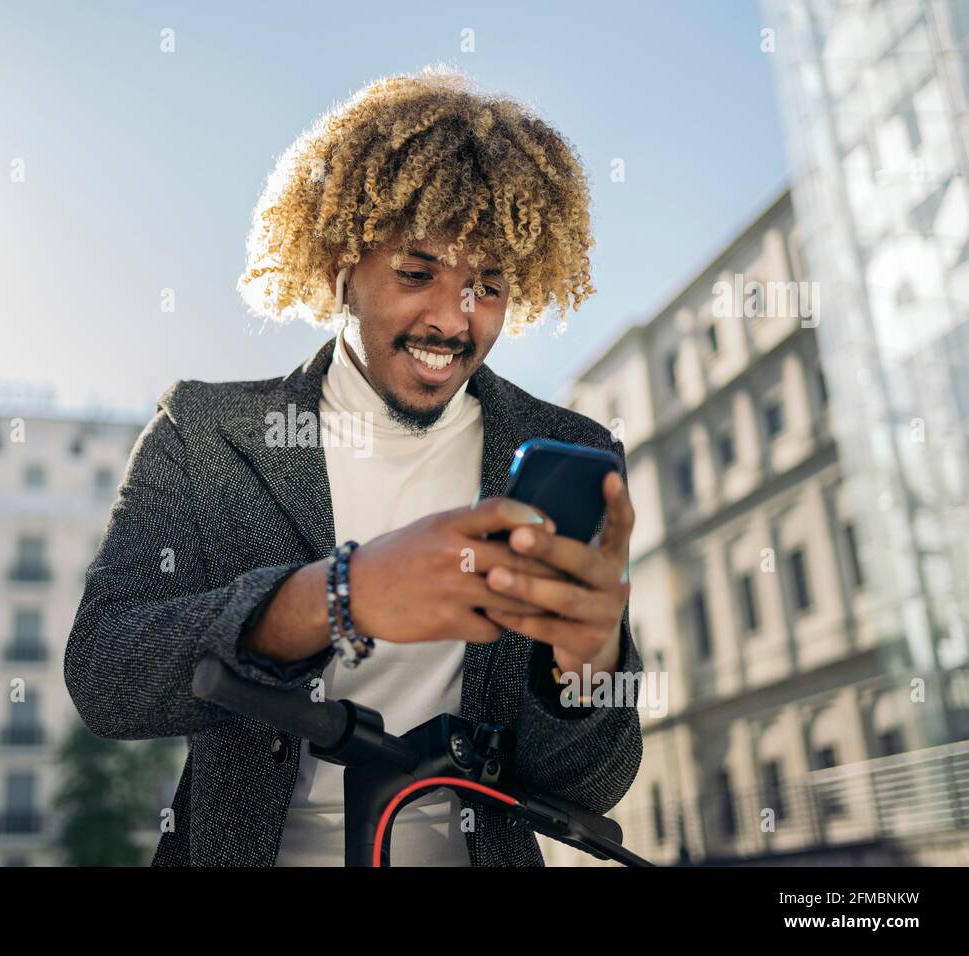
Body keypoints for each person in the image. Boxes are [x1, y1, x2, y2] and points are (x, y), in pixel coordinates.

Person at [64, 66, 642, 866]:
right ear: (341, 261)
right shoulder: (205, 433)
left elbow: (594, 783)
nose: (452, 318)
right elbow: (105, 673)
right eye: (416, 273)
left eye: (489, 286)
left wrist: (587, 669)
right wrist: (335, 597)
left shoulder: (570, 454)